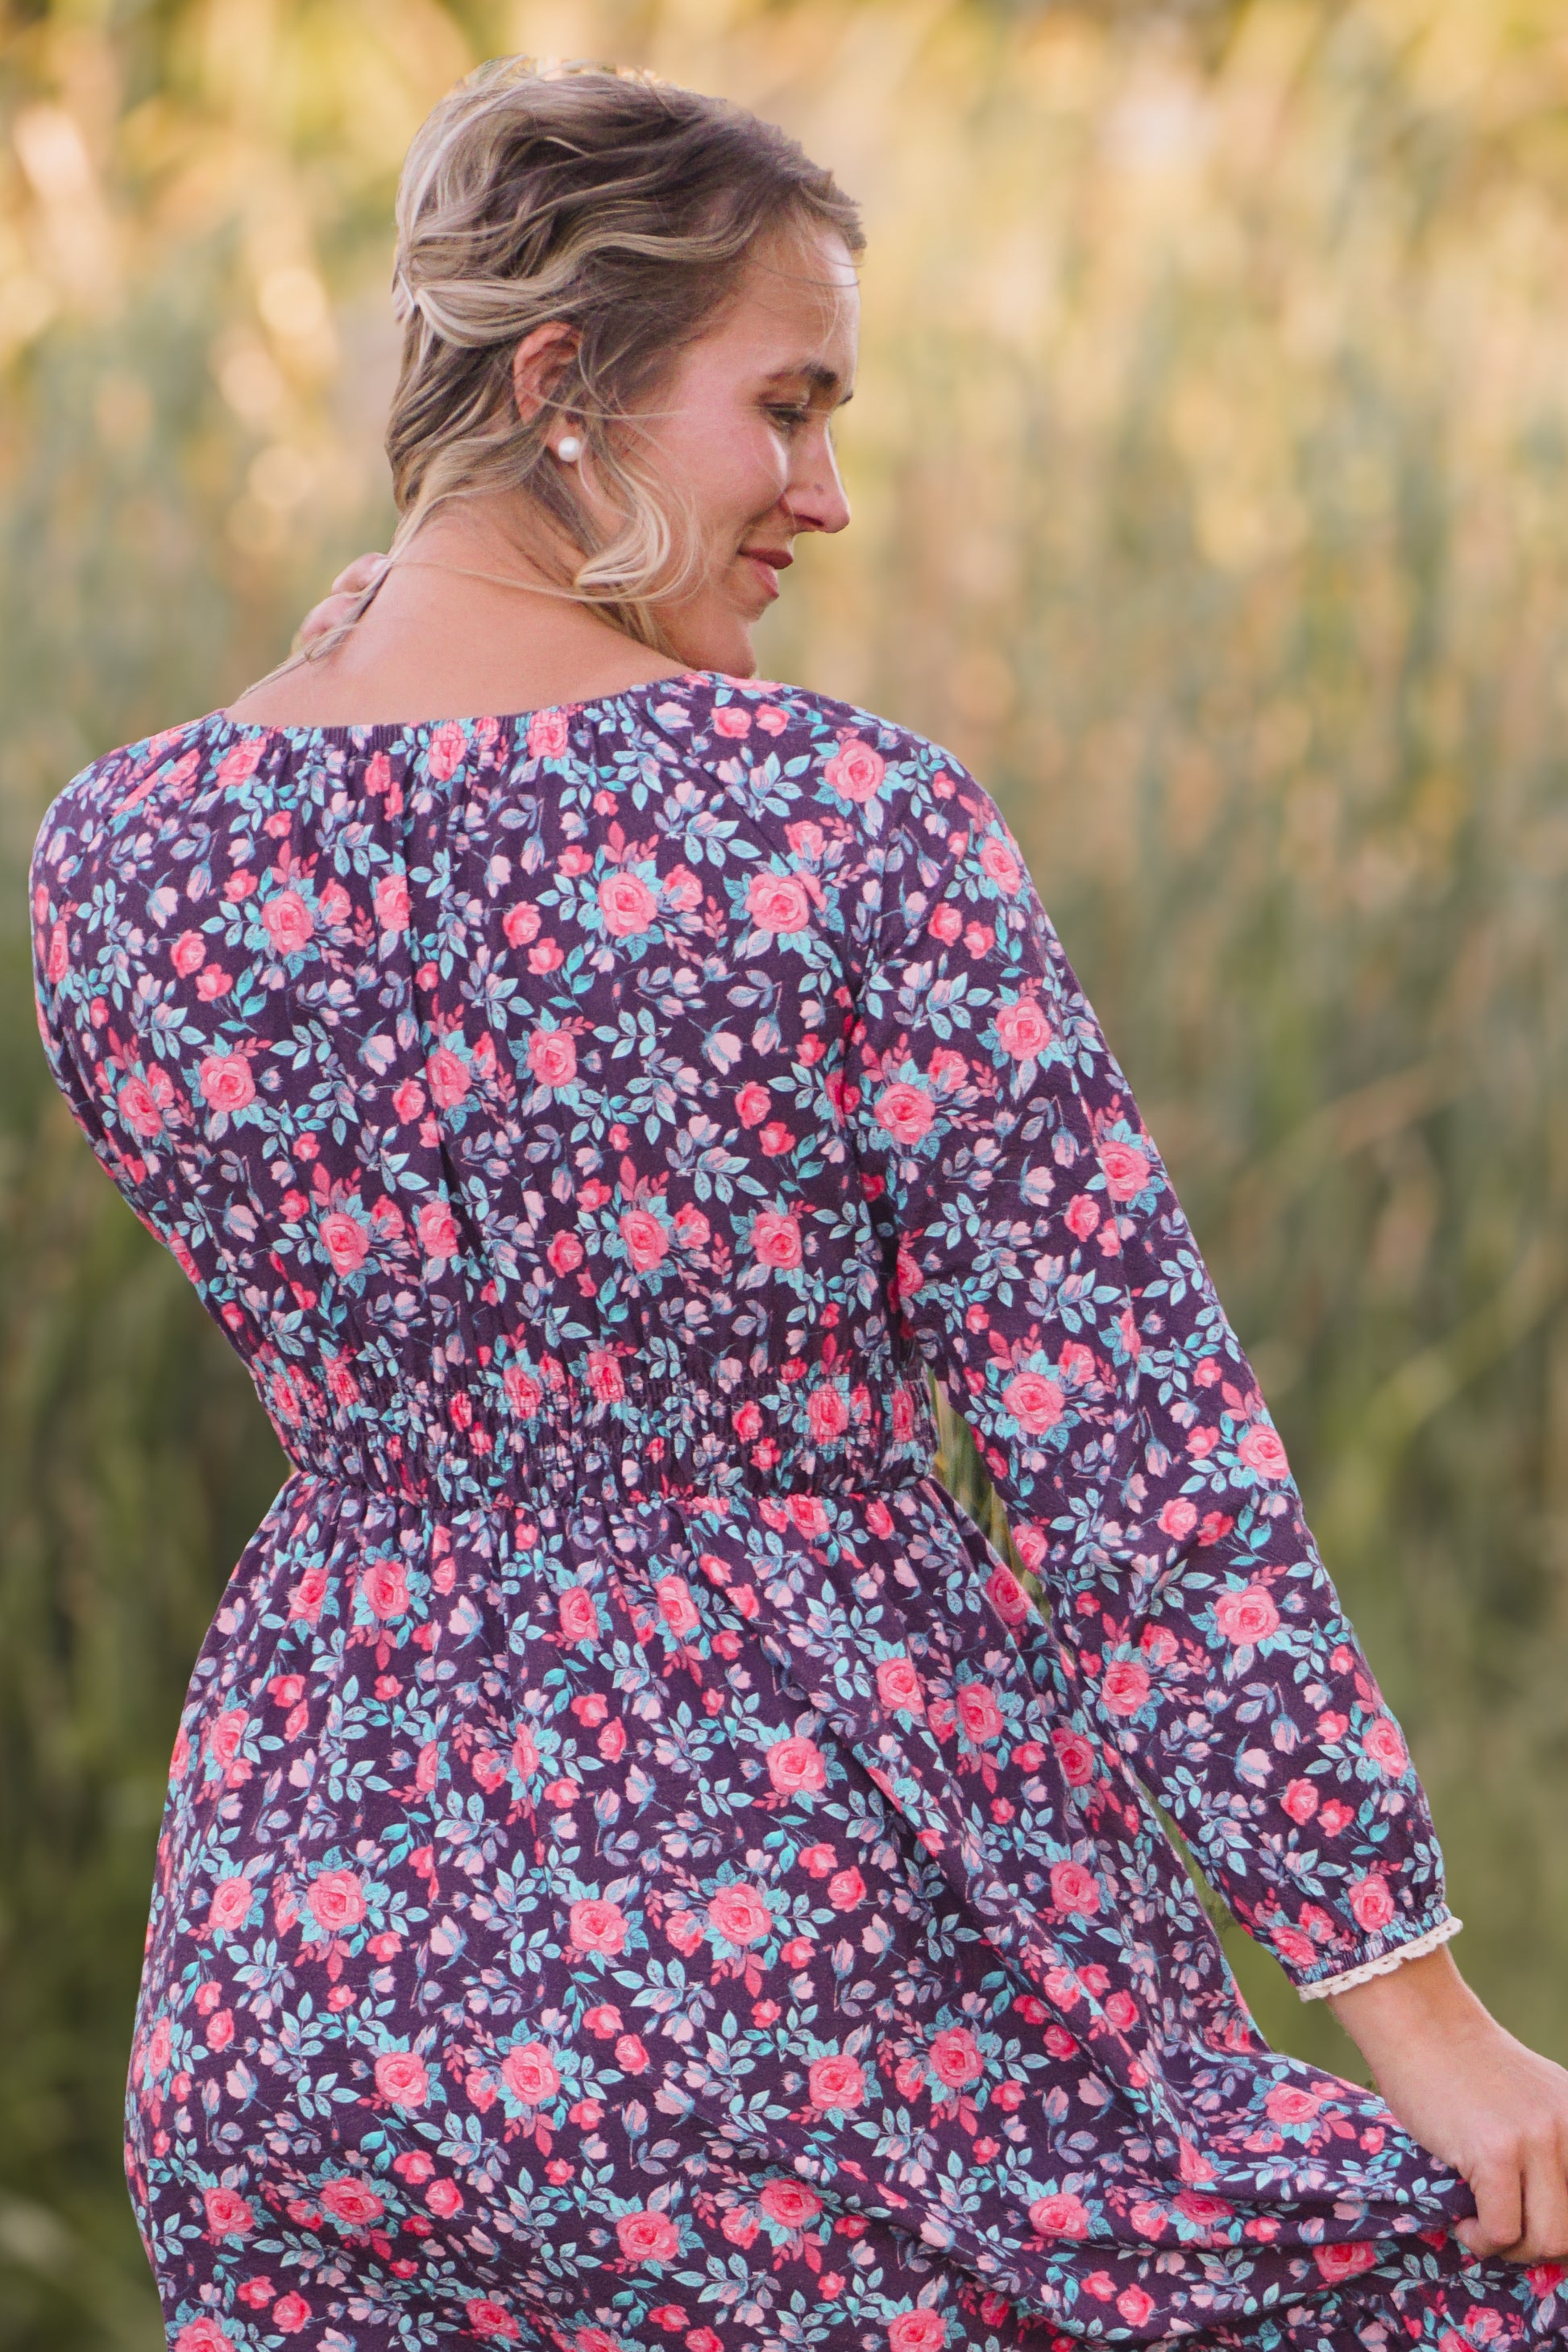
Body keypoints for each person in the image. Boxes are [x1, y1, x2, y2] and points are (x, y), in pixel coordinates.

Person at [27, 56, 1568, 2352]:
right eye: (787, 404)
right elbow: (1121, 1445)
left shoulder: (123, 856)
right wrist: (1421, 2020)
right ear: (563, 386)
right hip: (810, 1978)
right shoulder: (833, 820)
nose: (825, 493)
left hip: (307, 1983)